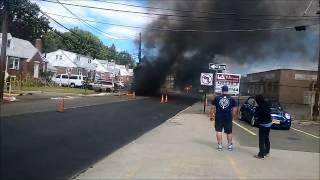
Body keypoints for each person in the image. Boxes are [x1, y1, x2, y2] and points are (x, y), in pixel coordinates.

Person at [210, 85, 237, 151]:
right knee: (229, 132)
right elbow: (234, 110)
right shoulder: (232, 99)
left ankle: (220, 146)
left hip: (218, 117)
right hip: (228, 118)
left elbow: (213, 108)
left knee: (218, 131)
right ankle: (230, 146)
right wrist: (233, 117)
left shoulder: (217, 98)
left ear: (222, 90)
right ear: (227, 91)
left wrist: (212, 116)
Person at [254, 95, 272, 159]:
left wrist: (256, 109)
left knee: (261, 139)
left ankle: (261, 155)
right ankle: (267, 151)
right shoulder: (267, 104)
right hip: (269, 123)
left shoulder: (259, 107)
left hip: (263, 125)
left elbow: (256, 115)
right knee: (266, 137)